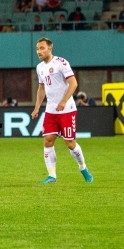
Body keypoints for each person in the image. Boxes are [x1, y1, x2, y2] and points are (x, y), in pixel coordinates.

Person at [31, 37, 93, 184]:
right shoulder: (40, 68)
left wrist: (64, 101)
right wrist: (37, 107)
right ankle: (52, 176)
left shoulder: (61, 63)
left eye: (42, 48)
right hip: (51, 110)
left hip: (67, 110)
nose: (39, 51)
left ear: (49, 48)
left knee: (70, 143)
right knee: (48, 141)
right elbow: (41, 88)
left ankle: (83, 168)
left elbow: (73, 83)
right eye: (37, 49)